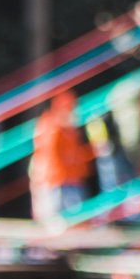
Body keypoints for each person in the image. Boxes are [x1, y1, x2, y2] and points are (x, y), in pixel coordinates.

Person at [30, 91, 93, 224]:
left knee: (74, 220)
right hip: (55, 180)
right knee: (54, 219)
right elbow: (49, 154)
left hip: (71, 179)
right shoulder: (51, 126)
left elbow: (76, 154)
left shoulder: (70, 130)